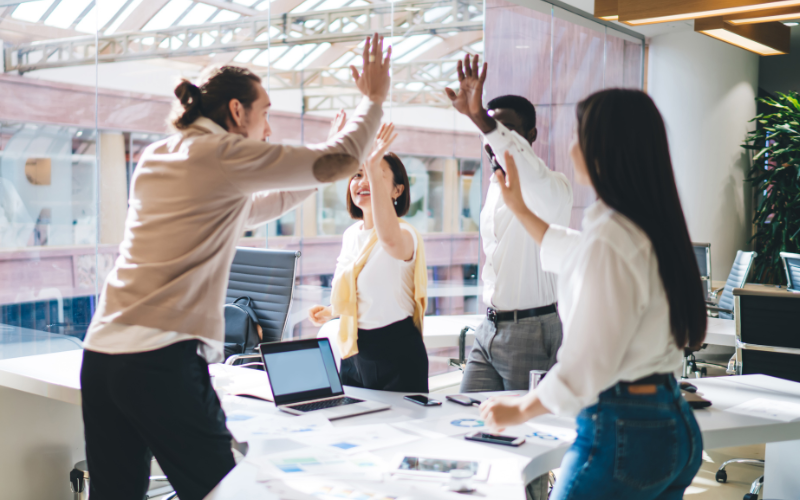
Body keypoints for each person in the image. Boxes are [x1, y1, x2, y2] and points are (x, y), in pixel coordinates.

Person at [80, 34, 392, 500]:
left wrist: (330, 163)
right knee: (225, 492)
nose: (268, 130)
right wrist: (374, 101)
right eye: (265, 113)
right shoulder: (222, 154)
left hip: (103, 357)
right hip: (159, 359)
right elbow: (337, 161)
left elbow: (264, 203)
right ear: (237, 112)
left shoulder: (159, 155)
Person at [480, 88, 707, 500]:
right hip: (673, 422)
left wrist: (521, 409)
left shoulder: (611, 236)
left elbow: (585, 364)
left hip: (625, 430)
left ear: (605, 148)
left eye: (578, 135)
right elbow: (573, 251)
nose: (571, 148)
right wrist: (520, 210)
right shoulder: (647, 224)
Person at [445, 54, 573, 499]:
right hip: (489, 328)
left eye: (508, 130)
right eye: (492, 130)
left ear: (531, 136)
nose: (497, 141)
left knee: (525, 455)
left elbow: (519, 160)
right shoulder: (494, 192)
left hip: (531, 332)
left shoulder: (550, 189)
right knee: (463, 427)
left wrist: (480, 118)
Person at [308, 123, 429, 393]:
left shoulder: (406, 234)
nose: (362, 181)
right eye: (357, 174)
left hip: (395, 352)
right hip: (353, 349)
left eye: (375, 174)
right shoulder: (351, 235)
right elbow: (362, 294)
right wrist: (331, 311)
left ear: (397, 191)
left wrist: (372, 165)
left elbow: (388, 240)